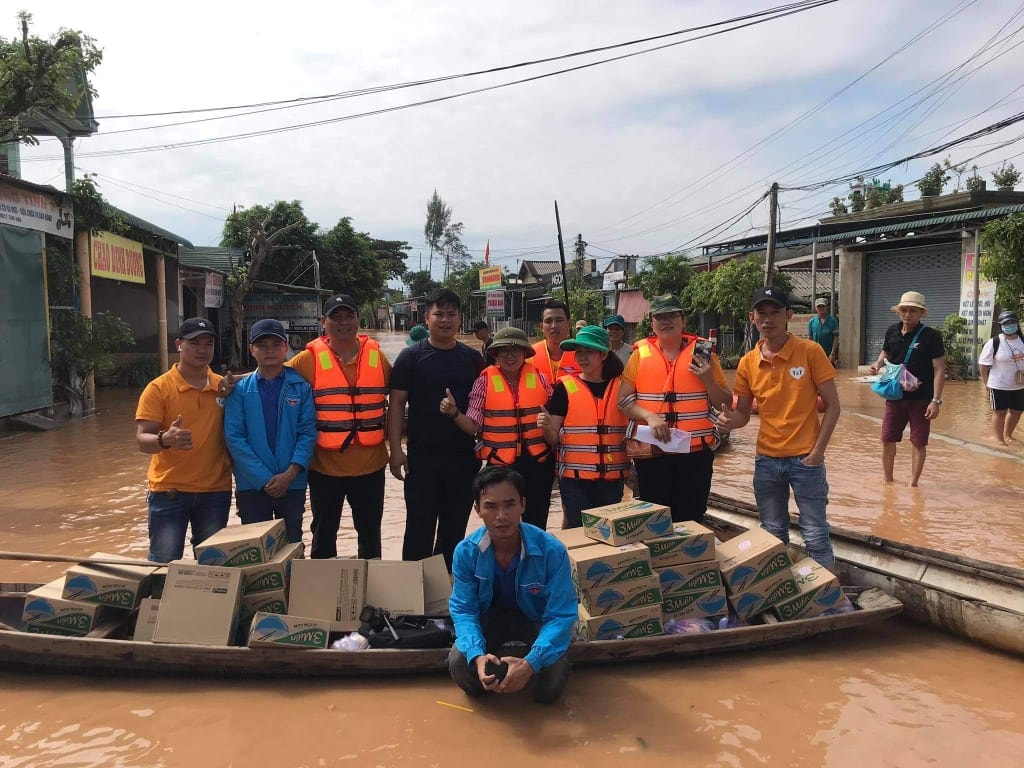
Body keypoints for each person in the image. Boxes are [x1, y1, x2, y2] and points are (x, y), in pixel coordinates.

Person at [717, 287, 841, 568]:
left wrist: (818, 453)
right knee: (772, 532)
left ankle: (824, 599)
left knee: (815, 534)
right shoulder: (748, 362)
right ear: (752, 317)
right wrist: (728, 422)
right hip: (767, 460)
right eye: (762, 313)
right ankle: (778, 591)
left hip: (806, 460)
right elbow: (744, 416)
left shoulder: (810, 352)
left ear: (789, 316)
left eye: (775, 313)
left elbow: (833, 406)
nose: (768, 319)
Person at [448, 466, 576, 704]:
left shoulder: (552, 551)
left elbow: (561, 614)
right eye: (491, 506)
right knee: (460, 665)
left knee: (550, 690)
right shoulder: (466, 552)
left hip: (536, 618)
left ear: (523, 505)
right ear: (478, 510)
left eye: (509, 504)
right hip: (491, 618)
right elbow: (464, 610)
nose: (501, 516)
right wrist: (477, 656)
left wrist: (530, 664)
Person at [288, 295, 391, 559]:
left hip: (371, 465)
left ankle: (371, 594)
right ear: (324, 322)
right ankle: (325, 593)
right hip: (324, 468)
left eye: (349, 316)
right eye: (336, 317)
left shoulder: (377, 357)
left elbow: (402, 393)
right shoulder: (306, 360)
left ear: (358, 320)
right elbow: (271, 376)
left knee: (370, 535)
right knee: (323, 535)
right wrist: (229, 384)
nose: (343, 322)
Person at [388, 288, 484, 568]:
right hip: (422, 458)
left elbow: (482, 405)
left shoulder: (472, 359)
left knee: (454, 531)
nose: (445, 320)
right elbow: (396, 406)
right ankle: (413, 600)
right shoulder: (410, 357)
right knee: (419, 528)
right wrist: (396, 450)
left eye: (451, 314)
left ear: (460, 319)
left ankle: (446, 600)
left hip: (463, 458)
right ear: (426, 318)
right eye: (438, 314)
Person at [617, 294, 731, 523]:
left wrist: (708, 379)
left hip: (695, 455)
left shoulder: (703, 353)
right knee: (656, 519)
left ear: (683, 320)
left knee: (691, 517)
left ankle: (690, 557)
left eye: (672, 316)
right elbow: (623, 401)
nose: (666, 321)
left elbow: (724, 403)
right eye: (660, 317)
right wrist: (649, 416)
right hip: (653, 456)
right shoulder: (639, 355)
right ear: (652, 323)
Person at [135, 317, 237, 563]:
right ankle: (157, 603)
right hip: (170, 491)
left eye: (208, 344)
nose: (203, 350)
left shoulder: (223, 387)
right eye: (195, 343)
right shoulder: (159, 388)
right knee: (163, 561)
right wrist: (165, 438)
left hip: (214, 491)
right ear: (179, 344)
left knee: (213, 565)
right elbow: (141, 440)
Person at [446, 327, 555, 529]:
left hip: (538, 464)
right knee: (501, 525)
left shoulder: (541, 379)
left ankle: (533, 560)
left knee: (537, 525)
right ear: (495, 354)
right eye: (503, 350)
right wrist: (454, 412)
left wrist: (549, 423)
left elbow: (556, 420)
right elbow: (472, 427)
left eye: (516, 350)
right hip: (499, 466)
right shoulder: (484, 382)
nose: (510, 356)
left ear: (525, 353)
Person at [225, 319, 316, 544]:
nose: (270, 350)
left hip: (292, 483)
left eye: (276, 344)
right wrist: (264, 479)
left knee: (292, 543)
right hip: (251, 485)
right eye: (262, 345)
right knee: (255, 550)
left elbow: (307, 433)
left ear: (285, 348)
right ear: (252, 350)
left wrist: (290, 474)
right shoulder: (239, 391)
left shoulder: (301, 388)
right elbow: (234, 438)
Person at [541, 326, 629, 528]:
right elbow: (552, 438)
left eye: (589, 351)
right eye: (578, 352)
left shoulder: (622, 386)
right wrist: (546, 426)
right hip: (574, 480)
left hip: (611, 478)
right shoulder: (565, 387)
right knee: (577, 531)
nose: (582, 357)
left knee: (608, 532)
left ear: (603, 354)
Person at [868, 291, 946, 487]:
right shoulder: (892, 331)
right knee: (887, 439)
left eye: (913, 311)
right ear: (899, 312)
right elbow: (886, 350)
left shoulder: (931, 336)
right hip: (894, 397)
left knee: (919, 442)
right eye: (904, 310)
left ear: (921, 313)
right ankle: (888, 482)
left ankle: (913, 485)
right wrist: (877, 364)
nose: (907, 314)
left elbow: (939, 369)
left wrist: (935, 401)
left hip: (922, 400)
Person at [978, 309, 1024, 445]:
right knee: (1000, 412)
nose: (1009, 325)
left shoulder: (1022, 340)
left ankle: (1008, 435)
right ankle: (999, 440)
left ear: (1017, 324)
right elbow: (983, 365)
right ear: (1001, 326)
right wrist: (986, 383)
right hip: (999, 385)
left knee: (1017, 412)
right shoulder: (994, 342)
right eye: (1006, 323)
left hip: (1020, 385)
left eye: (1012, 322)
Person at [532, 300, 580, 381]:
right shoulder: (529, 355)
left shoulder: (582, 354)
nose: (554, 326)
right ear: (542, 327)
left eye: (559, 320)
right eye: (548, 321)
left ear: (569, 324)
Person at [808, 297, 839, 366]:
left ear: (827, 307)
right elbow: (810, 338)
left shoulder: (833, 321)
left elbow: (836, 338)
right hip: (815, 354)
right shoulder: (812, 321)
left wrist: (833, 353)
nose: (821, 308)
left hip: (828, 355)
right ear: (816, 308)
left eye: (823, 306)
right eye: (819, 307)